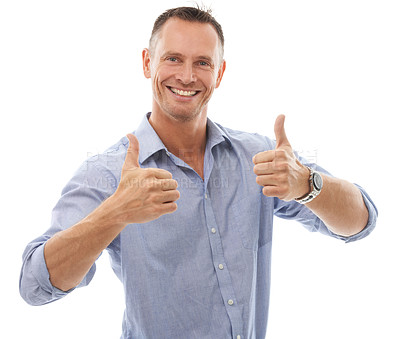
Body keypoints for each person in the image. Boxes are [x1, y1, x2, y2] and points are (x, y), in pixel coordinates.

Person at [20, 6, 378, 339]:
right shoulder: (110, 172)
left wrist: (307, 185)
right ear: (147, 63)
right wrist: (115, 213)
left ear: (219, 73)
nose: (187, 76)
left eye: (203, 63)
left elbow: (361, 221)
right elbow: (34, 285)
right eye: (173, 58)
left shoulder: (259, 157)